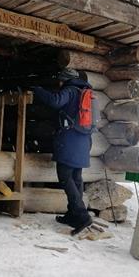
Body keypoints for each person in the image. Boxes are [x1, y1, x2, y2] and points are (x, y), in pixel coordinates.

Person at [31, 68, 93, 234]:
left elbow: (55, 101)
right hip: (84, 140)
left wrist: (38, 91)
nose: (58, 84)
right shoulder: (86, 92)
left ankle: (81, 215)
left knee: (65, 176)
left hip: (70, 140)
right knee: (76, 177)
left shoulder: (70, 90)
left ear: (64, 80)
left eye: (60, 81)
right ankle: (73, 214)